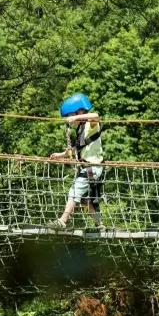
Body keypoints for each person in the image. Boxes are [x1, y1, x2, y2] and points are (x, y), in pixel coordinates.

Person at [48, 93, 105, 230]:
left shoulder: (91, 125)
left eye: (70, 115)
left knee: (74, 191)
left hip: (92, 167)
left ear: (79, 111)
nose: (70, 119)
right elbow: (77, 149)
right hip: (88, 168)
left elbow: (96, 116)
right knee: (88, 200)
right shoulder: (81, 129)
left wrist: (75, 117)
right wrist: (62, 155)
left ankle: (62, 220)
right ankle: (100, 224)